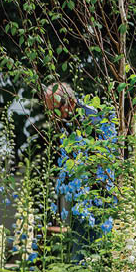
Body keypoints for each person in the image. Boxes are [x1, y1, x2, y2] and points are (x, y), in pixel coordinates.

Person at [43, 82, 117, 261]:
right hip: (81, 199)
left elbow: (105, 162)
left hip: (97, 199)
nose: (52, 116)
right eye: (49, 111)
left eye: (55, 110)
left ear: (69, 103)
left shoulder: (92, 118)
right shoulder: (70, 121)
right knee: (79, 251)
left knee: (91, 255)